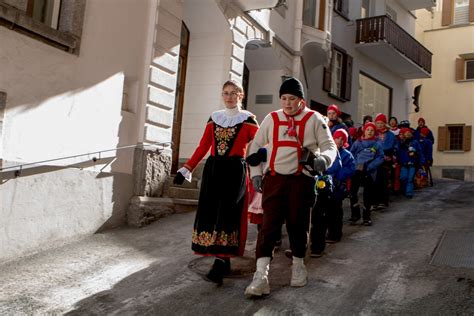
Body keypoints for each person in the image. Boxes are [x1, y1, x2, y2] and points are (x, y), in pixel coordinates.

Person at [244, 77, 337, 296]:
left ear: (300, 100)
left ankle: (298, 267)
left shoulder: (314, 119)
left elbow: (330, 145)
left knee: (298, 224)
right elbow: (255, 146)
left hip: (301, 180)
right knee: (268, 228)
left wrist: (324, 159)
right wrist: (256, 173)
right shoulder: (272, 118)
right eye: (284, 98)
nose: (287, 103)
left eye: (292, 98)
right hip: (274, 180)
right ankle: (260, 276)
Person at [173, 80, 259, 285]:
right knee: (212, 213)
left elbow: (260, 145)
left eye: (233, 93)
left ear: (241, 95)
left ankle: (221, 261)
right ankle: (222, 259)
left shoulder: (249, 120)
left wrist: (260, 165)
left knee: (229, 214)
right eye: (225, 93)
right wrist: (187, 168)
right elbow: (203, 146)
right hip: (213, 170)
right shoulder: (214, 117)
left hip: (235, 171)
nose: (229, 97)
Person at [310, 129, 355, 257]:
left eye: (342, 139)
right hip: (322, 187)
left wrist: (337, 177)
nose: (339, 141)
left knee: (335, 212)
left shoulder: (346, 155)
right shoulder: (324, 152)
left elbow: (350, 168)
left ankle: (335, 234)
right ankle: (318, 243)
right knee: (321, 214)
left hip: (337, 189)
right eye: (337, 138)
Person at [349, 122, 384, 226]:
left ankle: (366, 216)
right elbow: (351, 155)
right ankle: (355, 214)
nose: (370, 132)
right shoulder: (357, 143)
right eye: (368, 130)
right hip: (357, 171)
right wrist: (356, 165)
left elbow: (380, 157)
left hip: (369, 172)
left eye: (372, 130)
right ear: (364, 130)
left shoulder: (376, 144)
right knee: (353, 193)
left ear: (375, 132)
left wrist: (369, 167)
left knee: (367, 195)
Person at [374, 113, 397, 209]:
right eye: (377, 123)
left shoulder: (390, 134)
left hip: (385, 161)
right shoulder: (374, 133)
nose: (379, 125)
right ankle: (375, 201)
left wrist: (378, 149)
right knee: (375, 181)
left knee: (384, 180)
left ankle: (383, 201)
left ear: (384, 123)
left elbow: (389, 146)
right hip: (374, 161)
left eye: (381, 123)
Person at [398, 128, 425, 198]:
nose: (408, 134)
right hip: (404, 164)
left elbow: (420, 152)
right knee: (403, 178)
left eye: (409, 133)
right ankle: (404, 190)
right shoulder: (401, 143)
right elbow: (399, 152)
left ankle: (409, 193)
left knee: (410, 179)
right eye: (406, 133)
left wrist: (415, 154)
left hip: (412, 164)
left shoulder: (415, 142)